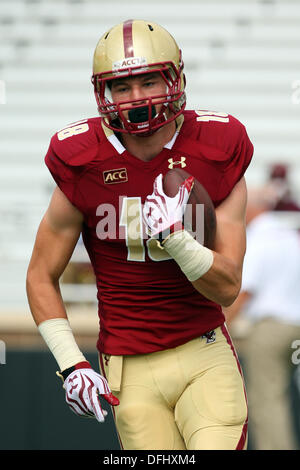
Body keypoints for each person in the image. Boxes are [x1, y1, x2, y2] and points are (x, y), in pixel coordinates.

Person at [26, 19, 254, 450]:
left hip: (202, 352)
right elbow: (40, 274)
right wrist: (71, 364)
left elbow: (228, 288)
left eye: (148, 82)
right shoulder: (81, 158)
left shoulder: (217, 145)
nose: (136, 99)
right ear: (104, 94)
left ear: (176, 79)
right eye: (123, 87)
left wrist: (176, 237)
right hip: (128, 367)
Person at [225, 186, 300, 450]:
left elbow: (244, 291)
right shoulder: (291, 236)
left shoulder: (258, 239)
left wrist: (220, 328)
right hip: (296, 329)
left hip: (271, 331)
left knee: (267, 400)